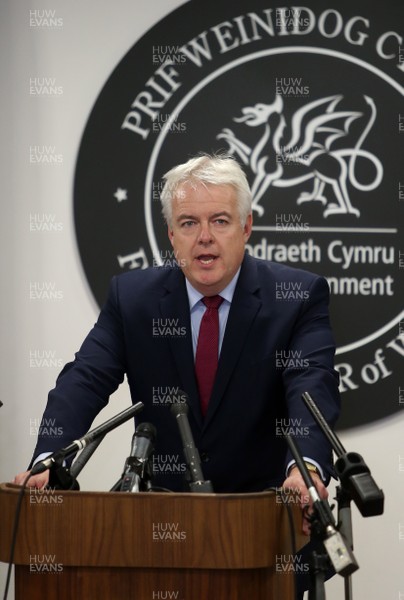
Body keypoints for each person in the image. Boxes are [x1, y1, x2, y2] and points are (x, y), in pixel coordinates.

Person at [14, 154, 340, 589]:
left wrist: (307, 470)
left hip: (264, 536)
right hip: (159, 540)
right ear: (171, 234)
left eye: (220, 221)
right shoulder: (133, 299)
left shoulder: (296, 297)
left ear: (246, 227)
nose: (204, 238)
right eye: (188, 224)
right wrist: (48, 461)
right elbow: (84, 379)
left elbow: (310, 387)